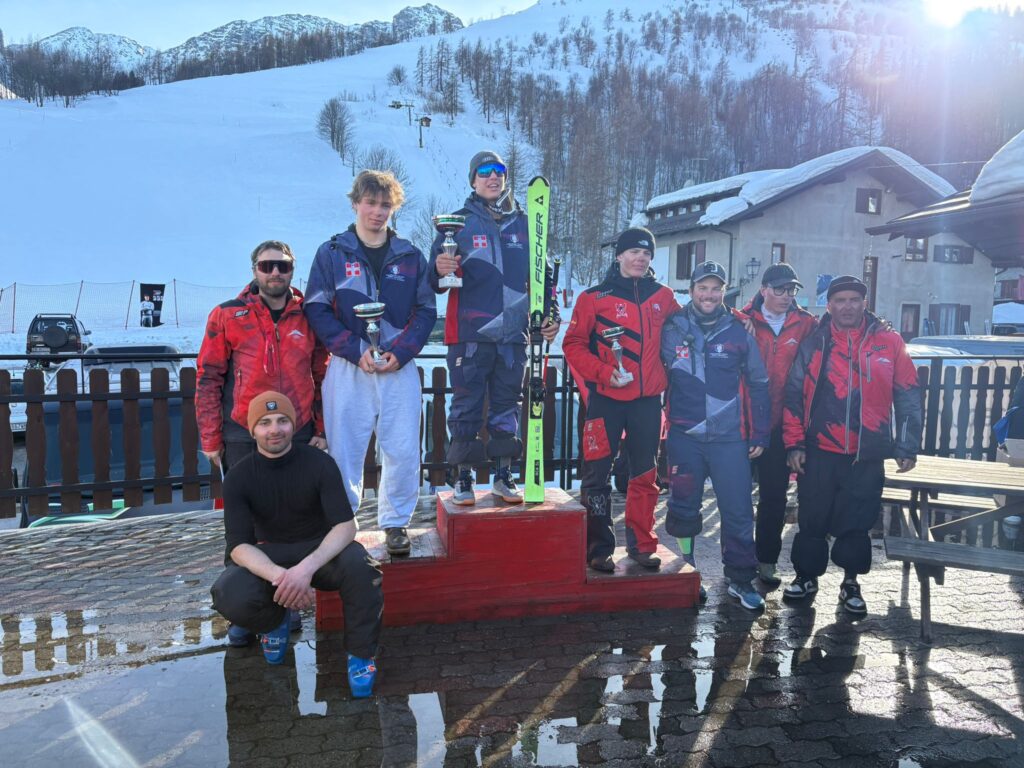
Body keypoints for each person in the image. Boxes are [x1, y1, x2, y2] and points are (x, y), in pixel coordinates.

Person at [210, 391, 384, 697]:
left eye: (282, 420)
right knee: (228, 592)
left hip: (319, 552)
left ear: (293, 425)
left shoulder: (320, 463)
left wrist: (304, 571)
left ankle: (361, 655)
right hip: (269, 554)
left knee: (363, 569)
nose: (274, 429)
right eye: (265, 423)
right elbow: (238, 546)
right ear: (252, 430)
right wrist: (283, 578)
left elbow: (346, 526)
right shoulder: (238, 477)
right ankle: (273, 622)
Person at [304, 170, 436, 557]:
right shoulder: (332, 253)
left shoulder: (409, 255)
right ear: (355, 204)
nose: (378, 212)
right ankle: (343, 523)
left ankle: (395, 522)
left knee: (402, 448)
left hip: (398, 365)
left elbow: (426, 311)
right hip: (350, 366)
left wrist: (402, 352)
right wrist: (353, 348)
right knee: (345, 448)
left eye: (385, 205)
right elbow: (316, 308)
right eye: (371, 203)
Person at [782, 275, 922, 614]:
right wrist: (794, 443)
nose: (847, 306)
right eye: (840, 300)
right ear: (829, 305)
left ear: (864, 303)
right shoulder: (814, 342)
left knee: (857, 520)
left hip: (867, 451)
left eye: (854, 300)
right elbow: (793, 395)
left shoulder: (889, 342)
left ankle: (850, 583)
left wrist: (906, 445)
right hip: (819, 449)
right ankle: (805, 576)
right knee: (813, 518)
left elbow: (908, 394)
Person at [428, 150, 559, 505]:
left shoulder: (525, 224)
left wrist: (550, 314)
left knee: (506, 405)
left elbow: (544, 278)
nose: (493, 177)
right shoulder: (456, 224)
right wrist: (439, 268)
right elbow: (434, 281)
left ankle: (503, 475)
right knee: (466, 406)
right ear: (473, 180)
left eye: (499, 171)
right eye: (485, 172)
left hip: (513, 335)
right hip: (469, 335)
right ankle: (463, 478)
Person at [563, 228, 678, 572]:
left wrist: (739, 320)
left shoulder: (664, 297)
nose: (640, 258)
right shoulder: (593, 297)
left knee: (644, 474)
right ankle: (598, 548)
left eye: (646, 253)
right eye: (633, 252)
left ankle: (642, 545)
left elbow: (694, 325)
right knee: (596, 474)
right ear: (619, 256)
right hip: (605, 400)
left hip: (647, 403)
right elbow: (573, 345)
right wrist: (603, 372)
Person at [660, 261, 770, 610]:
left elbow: (759, 382)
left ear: (724, 291)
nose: (709, 295)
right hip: (685, 434)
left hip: (729, 438)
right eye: (703, 288)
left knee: (738, 510)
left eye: (716, 288)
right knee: (684, 507)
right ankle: (688, 570)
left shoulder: (738, 329)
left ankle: (740, 579)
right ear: (691, 290)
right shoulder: (672, 327)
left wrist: (760, 432)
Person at [197, 240, 328, 472]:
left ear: (292, 270)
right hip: (243, 433)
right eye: (266, 266)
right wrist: (210, 437)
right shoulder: (227, 314)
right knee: (246, 497)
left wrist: (321, 428)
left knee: (299, 496)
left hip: (297, 430)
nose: (275, 272)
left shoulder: (309, 314)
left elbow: (323, 375)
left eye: (283, 266)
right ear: (254, 270)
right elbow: (208, 378)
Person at [739, 263, 817, 587]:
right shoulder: (741, 320)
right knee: (737, 499)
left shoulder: (806, 324)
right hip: (744, 423)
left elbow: (838, 333)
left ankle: (766, 560)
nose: (787, 295)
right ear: (764, 290)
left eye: (792, 290)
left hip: (781, 424)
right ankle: (738, 560)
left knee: (774, 497)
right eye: (780, 289)